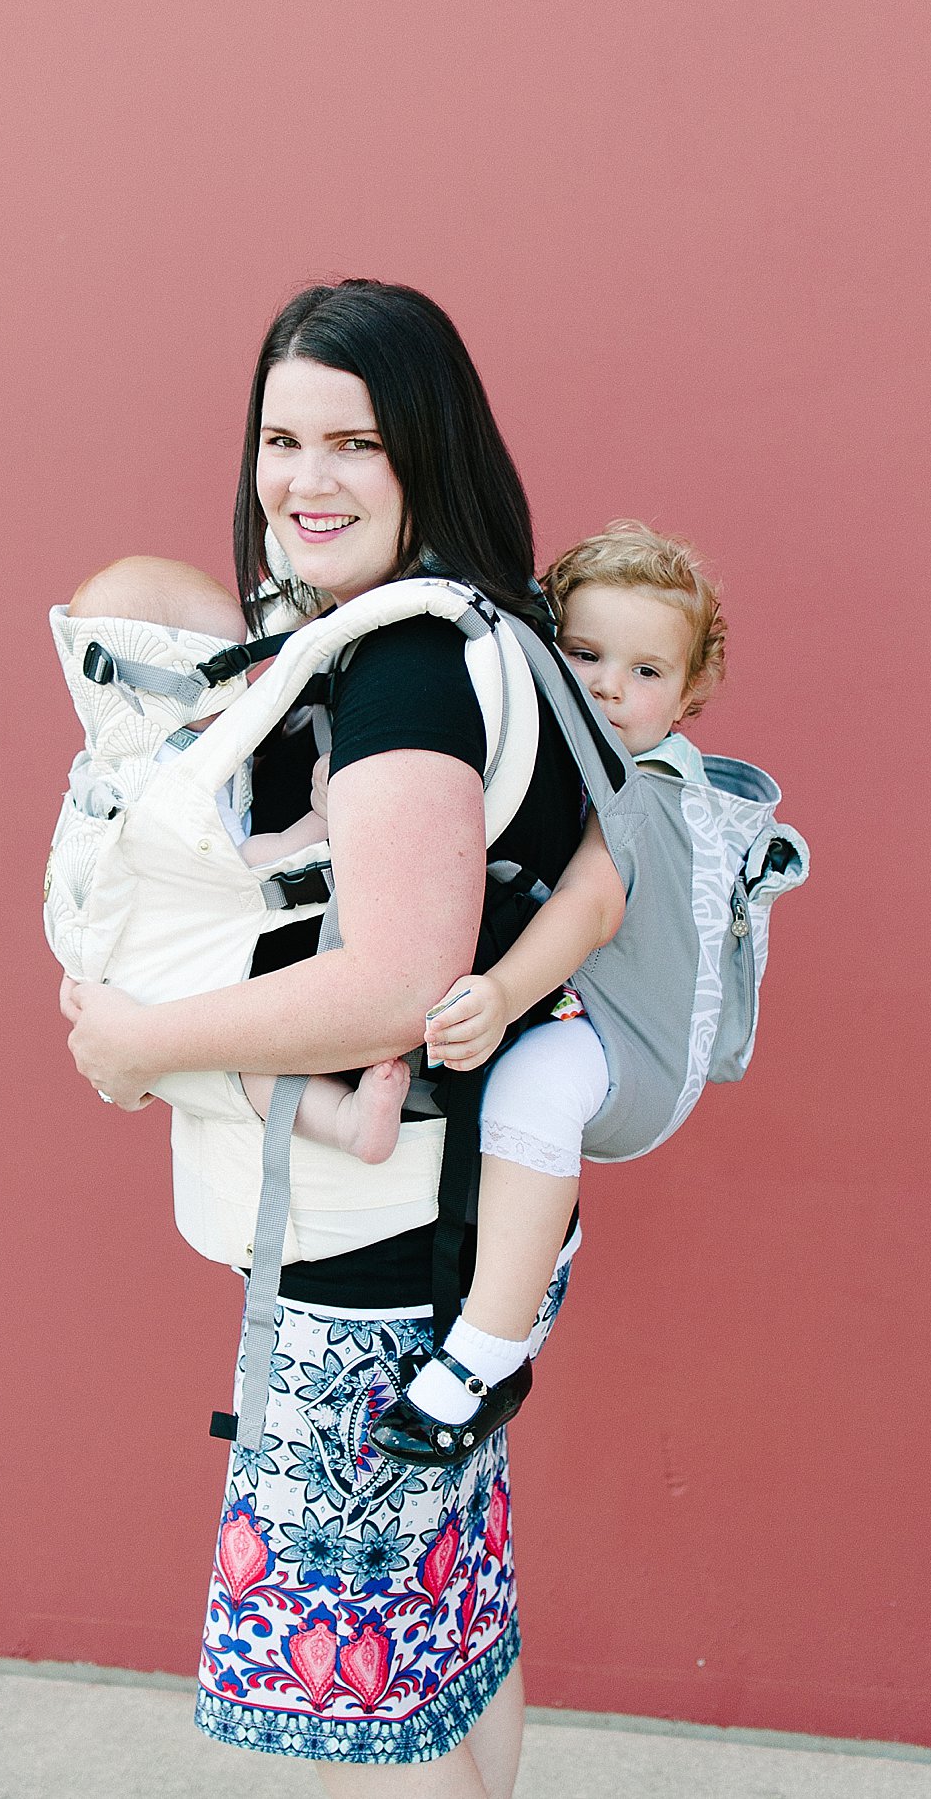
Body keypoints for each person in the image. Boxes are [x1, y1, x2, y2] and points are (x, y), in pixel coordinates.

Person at [61, 278, 623, 1793]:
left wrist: (141, 1038)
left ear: (427, 449)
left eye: (355, 443)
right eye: (281, 439)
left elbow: (393, 980)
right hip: (455, 1238)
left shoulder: (404, 673)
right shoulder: (491, 625)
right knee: (448, 1623)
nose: (304, 480)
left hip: (368, 1269)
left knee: (358, 1714)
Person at [373, 521, 727, 1456]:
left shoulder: (649, 782)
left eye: (647, 671)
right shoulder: (568, 755)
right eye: (585, 653)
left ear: (690, 694)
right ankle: (538, 1248)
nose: (609, 685)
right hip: (594, 1022)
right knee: (513, 1095)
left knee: (530, 1084)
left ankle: (485, 1358)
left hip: (634, 1048)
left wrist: (498, 992)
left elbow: (591, 905)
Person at [65, 550, 414, 1161]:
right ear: (166, 679)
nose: (244, 684)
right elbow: (239, 862)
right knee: (246, 1051)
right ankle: (345, 1123)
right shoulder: (178, 778)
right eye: (226, 668)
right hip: (166, 977)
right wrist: (320, 821)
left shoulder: (121, 759)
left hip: (117, 968)